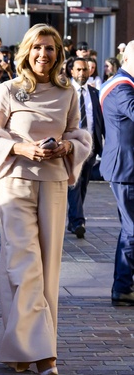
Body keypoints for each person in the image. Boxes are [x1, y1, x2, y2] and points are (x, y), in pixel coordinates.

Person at [0, 24, 92, 375]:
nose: (43, 54)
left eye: (50, 48)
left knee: (48, 269)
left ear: (58, 54)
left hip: (54, 184)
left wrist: (67, 146)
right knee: (24, 265)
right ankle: (44, 354)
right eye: (37, 47)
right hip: (15, 184)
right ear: (27, 51)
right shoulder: (7, 90)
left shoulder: (68, 93)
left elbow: (78, 134)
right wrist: (20, 147)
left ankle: (21, 349)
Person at [100, 40, 134, 306]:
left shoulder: (122, 84)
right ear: (127, 60)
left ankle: (123, 286)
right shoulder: (121, 87)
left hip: (126, 166)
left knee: (129, 229)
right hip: (126, 168)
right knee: (132, 230)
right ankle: (122, 287)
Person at [66, 57, 105, 239]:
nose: (82, 73)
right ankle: (78, 222)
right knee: (74, 183)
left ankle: (73, 220)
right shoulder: (65, 92)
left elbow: (100, 120)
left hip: (91, 147)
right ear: (72, 71)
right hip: (72, 147)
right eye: (78, 70)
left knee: (83, 185)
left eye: (85, 70)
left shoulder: (95, 93)